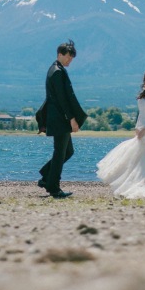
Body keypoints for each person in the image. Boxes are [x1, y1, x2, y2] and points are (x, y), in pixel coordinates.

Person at [96, 70, 145, 199]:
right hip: (140, 128)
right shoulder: (143, 96)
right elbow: (142, 114)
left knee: (142, 155)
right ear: (144, 84)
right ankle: (136, 181)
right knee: (138, 156)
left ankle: (141, 182)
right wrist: (137, 128)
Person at [37, 39, 86, 199]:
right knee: (60, 153)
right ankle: (54, 188)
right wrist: (72, 118)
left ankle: (46, 177)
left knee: (68, 151)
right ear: (60, 54)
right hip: (59, 118)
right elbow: (62, 99)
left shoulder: (56, 69)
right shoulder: (57, 72)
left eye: (72, 57)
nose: (70, 60)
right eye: (68, 56)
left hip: (58, 118)